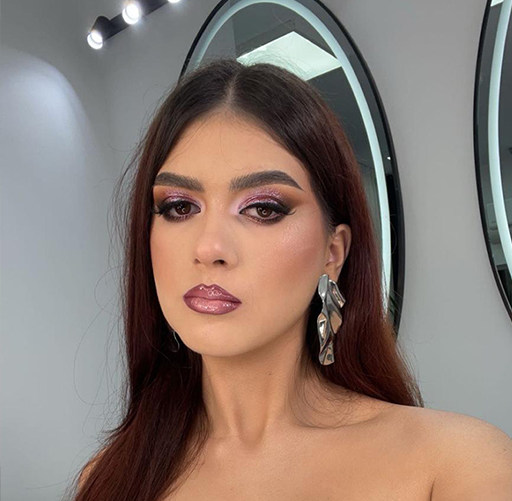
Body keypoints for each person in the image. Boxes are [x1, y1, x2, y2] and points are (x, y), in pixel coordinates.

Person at [68, 58, 512, 501]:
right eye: (179, 207)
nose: (208, 248)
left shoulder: (456, 466)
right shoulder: (108, 479)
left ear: (332, 253)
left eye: (263, 209)